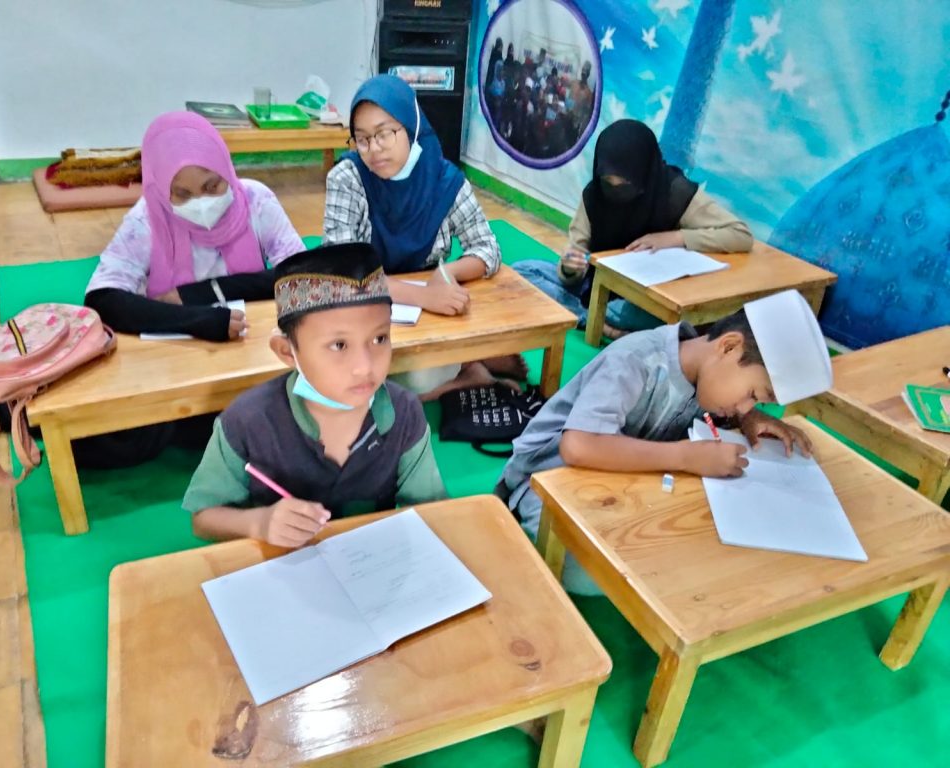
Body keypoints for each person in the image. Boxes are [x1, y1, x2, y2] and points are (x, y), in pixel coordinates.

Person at [495, 289, 833, 594]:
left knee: (691, 545)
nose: (746, 406)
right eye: (753, 394)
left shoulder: (711, 376)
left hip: (624, 484)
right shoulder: (636, 359)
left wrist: (749, 418)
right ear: (729, 346)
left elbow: (725, 405)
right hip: (547, 479)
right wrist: (685, 457)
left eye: (758, 402)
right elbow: (578, 446)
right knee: (590, 573)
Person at [183, 242, 448, 545]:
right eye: (339, 345)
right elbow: (204, 517)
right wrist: (259, 522)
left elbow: (432, 510)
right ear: (286, 351)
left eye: (379, 338)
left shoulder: (403, 411)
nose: (364, 367)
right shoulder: (247, 420)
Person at [323, 74, 526, 398]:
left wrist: (445, 274)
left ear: (411, 125)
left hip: (427, 317)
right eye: (361, 139)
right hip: (366, 306)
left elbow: (488, 248)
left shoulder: (444, 180)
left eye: (384, 134)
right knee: (339, 371)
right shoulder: (348, 178)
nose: (373, 149)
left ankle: (463, 363)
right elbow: (343, 271)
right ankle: (467, 374)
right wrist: (422, 296)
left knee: (408, 377)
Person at [514, 120, 753, 339]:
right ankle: (599, 324)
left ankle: (589, 318)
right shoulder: (594, 195)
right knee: (523, 272)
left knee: (640, 314)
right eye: (609, 182)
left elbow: (740, 235)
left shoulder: (674, 194)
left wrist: (676, 237)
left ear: (644, 172)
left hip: (645, 299)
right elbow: (574, 257)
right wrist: (569, 267)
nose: (615, 189)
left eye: (625, 183)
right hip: (597, 287)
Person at [85, 111, 305, 342]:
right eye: (183, 194)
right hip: (176, 351)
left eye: (212, 186)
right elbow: (102, 299)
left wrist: (199, 293)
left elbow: (304, 276)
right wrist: (197, 321)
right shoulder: (146, 219)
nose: (202, 203)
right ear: (162, 190)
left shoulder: (255, 200)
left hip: (253, 336)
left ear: (226, 170)